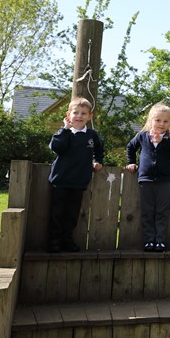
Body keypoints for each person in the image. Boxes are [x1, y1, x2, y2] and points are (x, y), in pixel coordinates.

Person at [125, 103, 170, 253]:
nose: (161, 124)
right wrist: (131, 162)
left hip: (164, 180)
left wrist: (163, 141)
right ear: (151, 120)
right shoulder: (142, 136)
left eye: (165, 121)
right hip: (145, 179)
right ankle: (149, 240)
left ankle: (160, 241)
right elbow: (130, 147)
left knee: (162, 212)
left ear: (169, 123)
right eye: (158, 120)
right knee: (147, 212)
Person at [47, 97, 104, 253]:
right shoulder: (64, 133)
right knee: (57, 214)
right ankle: (54, 243)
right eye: (75, 113)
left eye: (83, 113)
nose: (79, 116)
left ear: (90, 116)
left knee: (72, 215)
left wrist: (97, 160)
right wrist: (65, 129)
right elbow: (57, 147)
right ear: (68, 115)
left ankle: (67, 241)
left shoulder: (92, 135)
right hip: (60, 181)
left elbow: (100, 148)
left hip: (79, 182)